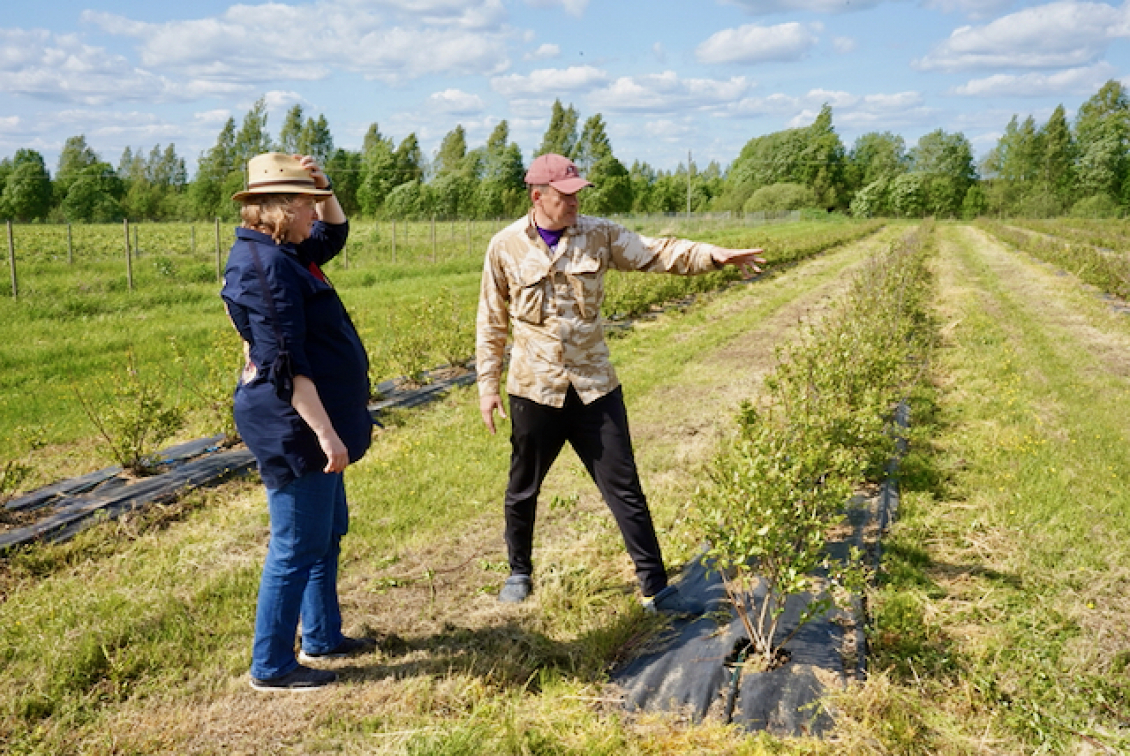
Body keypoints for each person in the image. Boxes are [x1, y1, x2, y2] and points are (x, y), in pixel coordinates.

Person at [476, 153, 766, 613]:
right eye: (565, 196)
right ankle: (519, 571)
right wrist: (488, 386)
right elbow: (491, 320)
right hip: (534, 388)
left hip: (594, 386)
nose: (574, 203)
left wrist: (714, 256)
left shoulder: (599, 235)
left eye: (577, 195)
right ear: (538, 196)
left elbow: (658, 252)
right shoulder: (504, 246)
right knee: (523, 486)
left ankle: (655, 586)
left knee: (623, 484)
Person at [221, 152, 377, 691]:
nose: (316, 211)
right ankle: (271, 664)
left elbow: (334, 236)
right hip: (294, 423)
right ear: (281, 208)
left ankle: (323, 636)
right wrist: (326, 434)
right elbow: (285, 363)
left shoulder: (285, 251)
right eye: (307, 203)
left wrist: (324, 184)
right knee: (295, 545)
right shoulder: (264, 265)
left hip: (313, 417)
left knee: (325, 533)